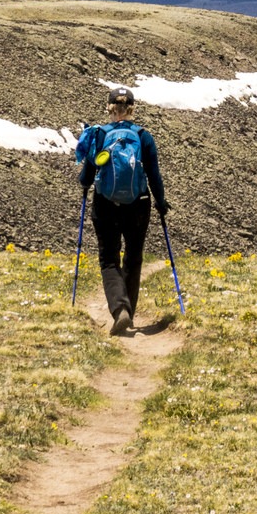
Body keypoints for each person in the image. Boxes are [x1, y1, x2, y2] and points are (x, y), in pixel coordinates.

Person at [75, 86, 169, 335]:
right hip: (138, 204)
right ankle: (130, 311)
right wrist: (161, 202)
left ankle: (120, 309)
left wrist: (85, 184)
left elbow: (87, 173)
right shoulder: (143, 136)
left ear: (110, 109)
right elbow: (154, 175)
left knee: (109, 259)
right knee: (134, 257)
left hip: (106, 204)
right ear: (131, 110)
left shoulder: (99, 135)